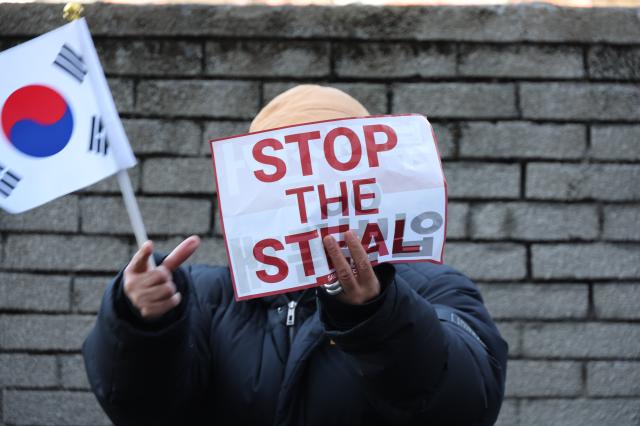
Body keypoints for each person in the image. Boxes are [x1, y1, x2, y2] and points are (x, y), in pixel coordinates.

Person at [83, 85, 508, 426]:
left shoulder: (435, 289)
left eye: (334, 167)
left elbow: (466, 406)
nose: (317, 193)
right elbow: (143, 408)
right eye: (289, 173)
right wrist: (140, 322)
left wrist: (378, 315)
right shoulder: (201, 297)